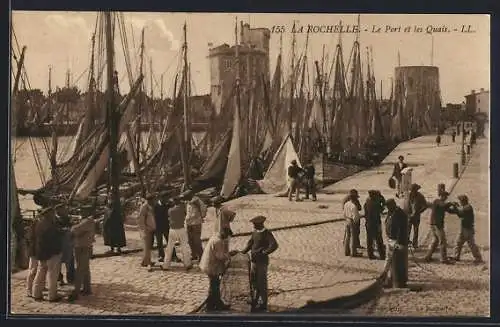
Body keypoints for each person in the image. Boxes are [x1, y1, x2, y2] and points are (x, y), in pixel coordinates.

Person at [240, 216, 279, 311]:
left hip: (262, 262)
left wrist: (264, 252)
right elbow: (250, 243)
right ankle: (255, 299)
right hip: (254, 261)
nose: (253, 226)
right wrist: (242, 252)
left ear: (260, 224)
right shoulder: (255, 232)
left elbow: (274, 245)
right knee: (254, 281)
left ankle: (263, 303)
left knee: (262, 283)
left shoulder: (267, 233)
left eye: (255, 224)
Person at [198, 220, 233, 312]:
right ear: (225, 235)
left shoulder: (215, 237)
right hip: (210, 266)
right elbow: (220, 256)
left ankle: (216, 303)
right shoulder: (218, 241)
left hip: (208, 264)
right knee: (214, 285)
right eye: (227, 238)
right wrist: (229, 255)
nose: (227, 240)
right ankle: (211, 305)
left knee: (215, 284)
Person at [32, 206, 64, 302]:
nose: (54, 215)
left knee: (40, 273)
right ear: (49, 214)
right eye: (53, 213)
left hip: (41, 253)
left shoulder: (39, 224)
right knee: (52, 275)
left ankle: (36, 293)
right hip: (52, 253)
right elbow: (53, 239)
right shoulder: (51, 225)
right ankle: (52, 295)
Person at [67, 213, 96, 302]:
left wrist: (74, 225)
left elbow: (74, 229)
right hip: (83, 246)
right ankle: (87, 289)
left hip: (83, 247)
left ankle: (76, 291)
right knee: (85, 269)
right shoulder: (87, 221)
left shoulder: (88, 221)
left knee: (79, 270)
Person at [449, 195, 484, 264]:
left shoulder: (468, 207)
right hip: (463, 228)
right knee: (458, 242)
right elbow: (456, 212)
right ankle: (456, 256)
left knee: (471, 244)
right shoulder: (464, 207)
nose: (459, 202)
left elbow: (460, 213)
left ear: (463, 201)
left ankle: (478, 258)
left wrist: (455, 207)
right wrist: (449, 207)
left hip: (468, 229)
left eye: (460, 201)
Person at [423, 191, 455, 264]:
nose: (446, 197)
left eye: (446, 196)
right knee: (442, 241)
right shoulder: (437, 201)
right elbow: (444, 205)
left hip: (434, 224)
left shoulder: (442, 203)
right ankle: (443, 259)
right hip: (436, 224)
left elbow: (449, 210)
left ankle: (428, 256)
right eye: (445, 196)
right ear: (441, 195)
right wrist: (451, 203)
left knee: (435, 241)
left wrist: (456, 209)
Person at [162, 197, 192, 270]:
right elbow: (185, 214)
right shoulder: (182, 208)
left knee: (169, 248)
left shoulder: (170, 210)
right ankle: (187, 264)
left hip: (172, 229)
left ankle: (165, 265)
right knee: (184, 247)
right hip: (181, 228)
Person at [383, 199, 409, 286]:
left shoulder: (400, 215)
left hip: (396, 242)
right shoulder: (392, 213)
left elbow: (401, 230)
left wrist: (398, 243)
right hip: (390, 240)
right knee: (389, 260)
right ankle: (389, 278)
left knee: (393, 261)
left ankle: (391, 279)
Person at [152, 193, 179, 262]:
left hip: (166, 226)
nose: (166, 200)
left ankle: (174, 256)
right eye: (165, 198)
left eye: (167, 198)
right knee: (159, 243)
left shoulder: (167, 205)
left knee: (170, 242)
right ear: (161, 198)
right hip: (157, 227)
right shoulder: (155, 206)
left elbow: (174, 206)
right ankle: (161, 256)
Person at [184, 191, 207, 261]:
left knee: (196, 240)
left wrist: (201, 217)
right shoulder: (187, 202)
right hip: (189, 223)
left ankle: (201, 255)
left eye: (186, 196)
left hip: (196, 223)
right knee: (190, 240)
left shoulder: (197, 201)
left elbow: (204, 209)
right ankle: (194, 254)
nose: (185, 198)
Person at [405, 183, 428, 249]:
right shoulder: (408, 196)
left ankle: (415, 244)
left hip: (416, 216)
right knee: (408, 230)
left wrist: (420, 211)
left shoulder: (420, 196)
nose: (413, 191)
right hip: (409, 216)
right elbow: (405, 205)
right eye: (412, 190)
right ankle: (406, 243)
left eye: (414, 190)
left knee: (415, 230)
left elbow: (425, 205)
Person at [364, 190, 386, 260]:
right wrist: (382, 199)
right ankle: (382, 255)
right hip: (375, 223)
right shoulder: (375, 204)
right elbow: (381, 209)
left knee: (369, 240)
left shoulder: (367, 201)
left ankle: (370, 255)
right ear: (374, 196)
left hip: (368, 223)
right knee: (379, 240)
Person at [55, 209, 75, 286]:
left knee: (69, 262)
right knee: (58, 264)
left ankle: (71, 278)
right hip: (60, 245)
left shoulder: (67, 218)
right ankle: (60, 279)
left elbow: (72, 229)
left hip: (68, 244)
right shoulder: (55, 220)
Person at [138, 193, 156, 271]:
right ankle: (148, 263)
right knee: (146, 247)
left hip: (151, 229)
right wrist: (145, 229)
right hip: (146, 230)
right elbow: (141, 220)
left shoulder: (150, 207)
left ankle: (145, 261)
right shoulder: (144, 207)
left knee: (148, 246)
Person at [343, 189, 362, 257]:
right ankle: (354, 252)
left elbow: (344, 213)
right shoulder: (354, 206)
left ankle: (346, 251)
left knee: (347, 237)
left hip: (347, 220)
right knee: (354, 237)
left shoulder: (346, 204)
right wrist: (356, 222)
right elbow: (355, 217)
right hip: (352, 222)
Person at [25, 217, 40, 298]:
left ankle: (35, 287)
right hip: (34, 253)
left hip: (38, 253)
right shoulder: (31, 231)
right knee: (32, 271)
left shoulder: (36, 231)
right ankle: (29, 289)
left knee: (38, 270)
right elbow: (30, 242)